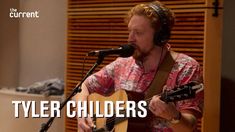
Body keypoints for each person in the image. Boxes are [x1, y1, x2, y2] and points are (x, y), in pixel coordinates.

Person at [74, 1, 204, 132]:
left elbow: (189, 126)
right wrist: (82, 114)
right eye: (130, 31)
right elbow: (82, 87)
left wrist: (173, 116)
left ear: (160, 37)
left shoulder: (186, 67)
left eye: (138, 32)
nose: (130, 38)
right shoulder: (122, 64)